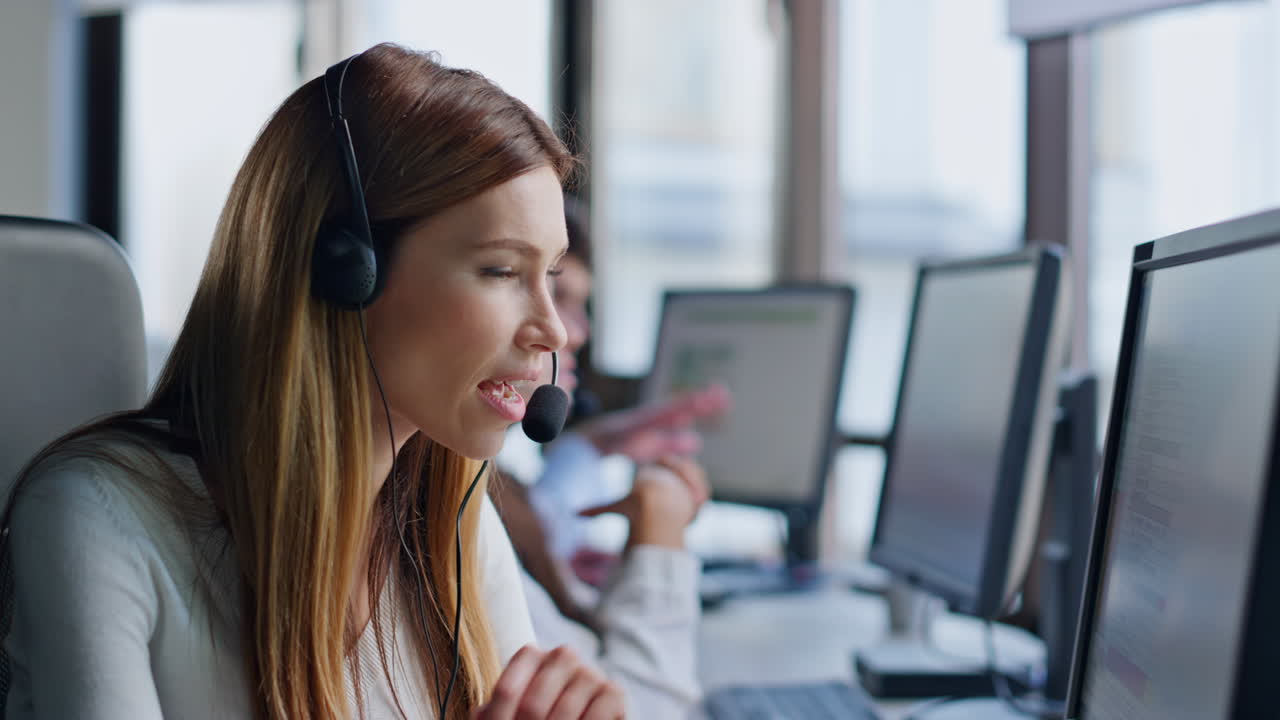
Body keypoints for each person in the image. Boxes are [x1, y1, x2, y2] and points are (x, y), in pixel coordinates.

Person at [0, 44, 624, 720]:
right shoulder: (100, 515)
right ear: (346, 270)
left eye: (550, 275)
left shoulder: (454, 524)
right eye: (502, 271)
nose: (553, 331)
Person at [490, 197, 730, 718]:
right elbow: (645, 709)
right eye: (558, 294)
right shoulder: (449, 520)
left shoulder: (478, 491)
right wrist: (660, 526)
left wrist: (592, 448)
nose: (574, 331)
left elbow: (531, 524)